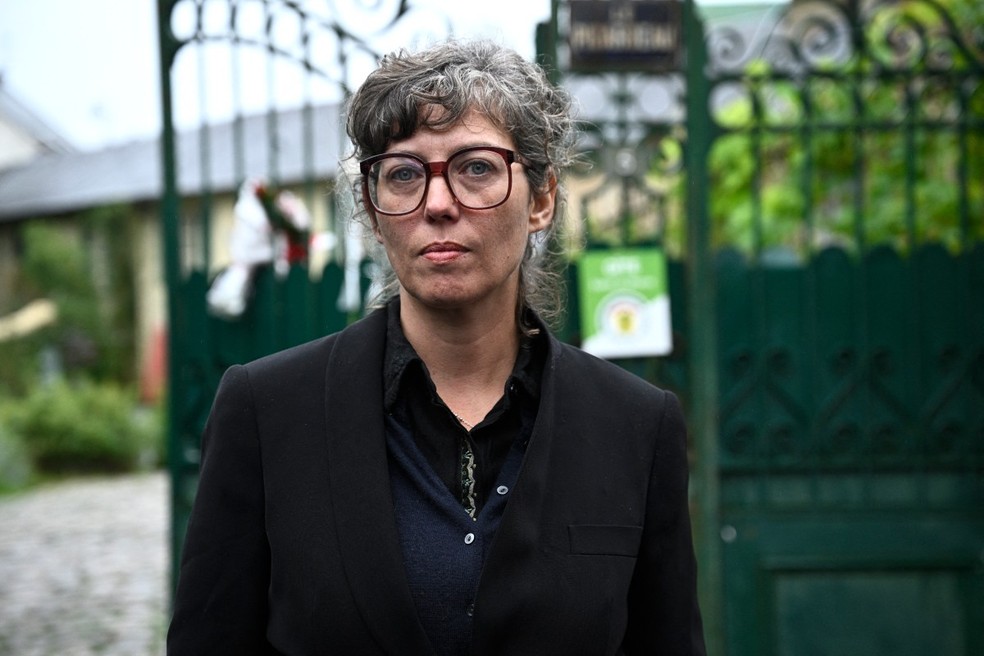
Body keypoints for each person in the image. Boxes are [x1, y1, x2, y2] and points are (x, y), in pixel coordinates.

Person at [167, 39, 706, 656]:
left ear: (542, 199)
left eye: (477, 167)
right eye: (404, 174)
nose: (440, 204)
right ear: (373, 210)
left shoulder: (635, 425)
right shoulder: (267, 414)